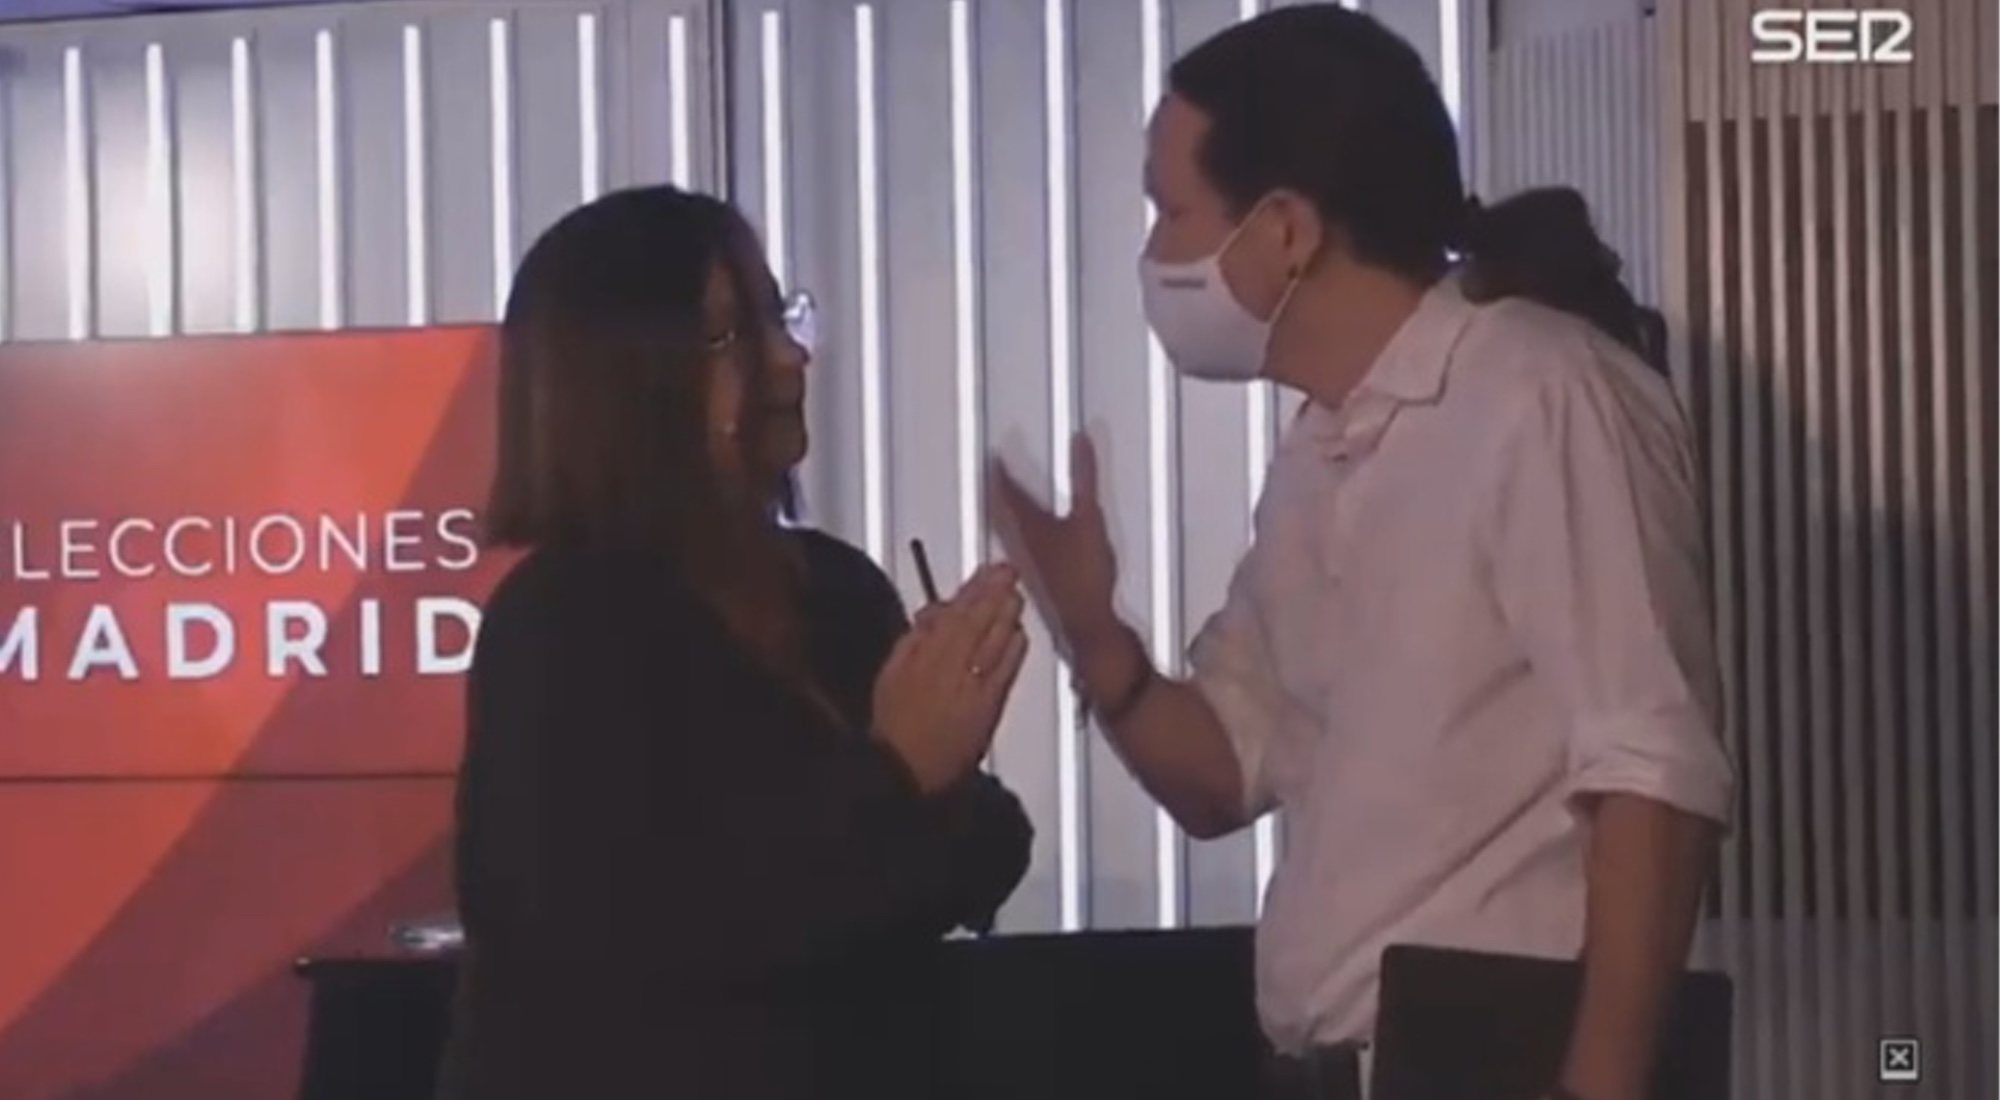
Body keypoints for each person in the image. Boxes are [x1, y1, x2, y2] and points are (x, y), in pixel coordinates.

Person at [990, 8, 1733, 1100]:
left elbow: (1653, 775)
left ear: (1286, 228)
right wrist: (1096, 639)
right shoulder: (1319, 449)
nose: (1152, 256)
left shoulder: (1537, 392)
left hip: (1501, 1064)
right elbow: (1223, 774)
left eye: (1171, 212)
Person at [440, 186, 1035, 1100]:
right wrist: (900, 772)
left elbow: (968, 858)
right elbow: (645, 930)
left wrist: (944, 769)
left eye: (778, 316)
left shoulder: (835, 588)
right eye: (731, 334)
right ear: (623, 383)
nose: (791, 358)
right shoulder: (559, 624)